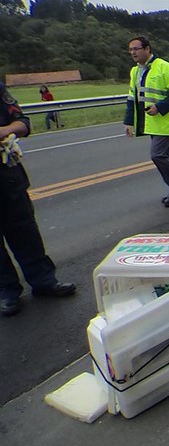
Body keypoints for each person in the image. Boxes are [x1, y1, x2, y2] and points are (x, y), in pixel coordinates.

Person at [0, 83, 76, 316]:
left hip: (6, 176)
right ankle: (7, 291)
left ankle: (43, 281)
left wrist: (4, 131)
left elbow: (22, 122)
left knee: (25, 231)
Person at [124, 36, 169, 208]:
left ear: (147, 49)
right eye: (130, 50)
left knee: (157, 155)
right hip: (150, 123)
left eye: (136, 49)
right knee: (167, 156)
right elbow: (131, 97)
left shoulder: (165, 68)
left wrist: (159, 107)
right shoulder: (135, 71)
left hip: (166, 122)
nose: (133, 52)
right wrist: (128, 121)